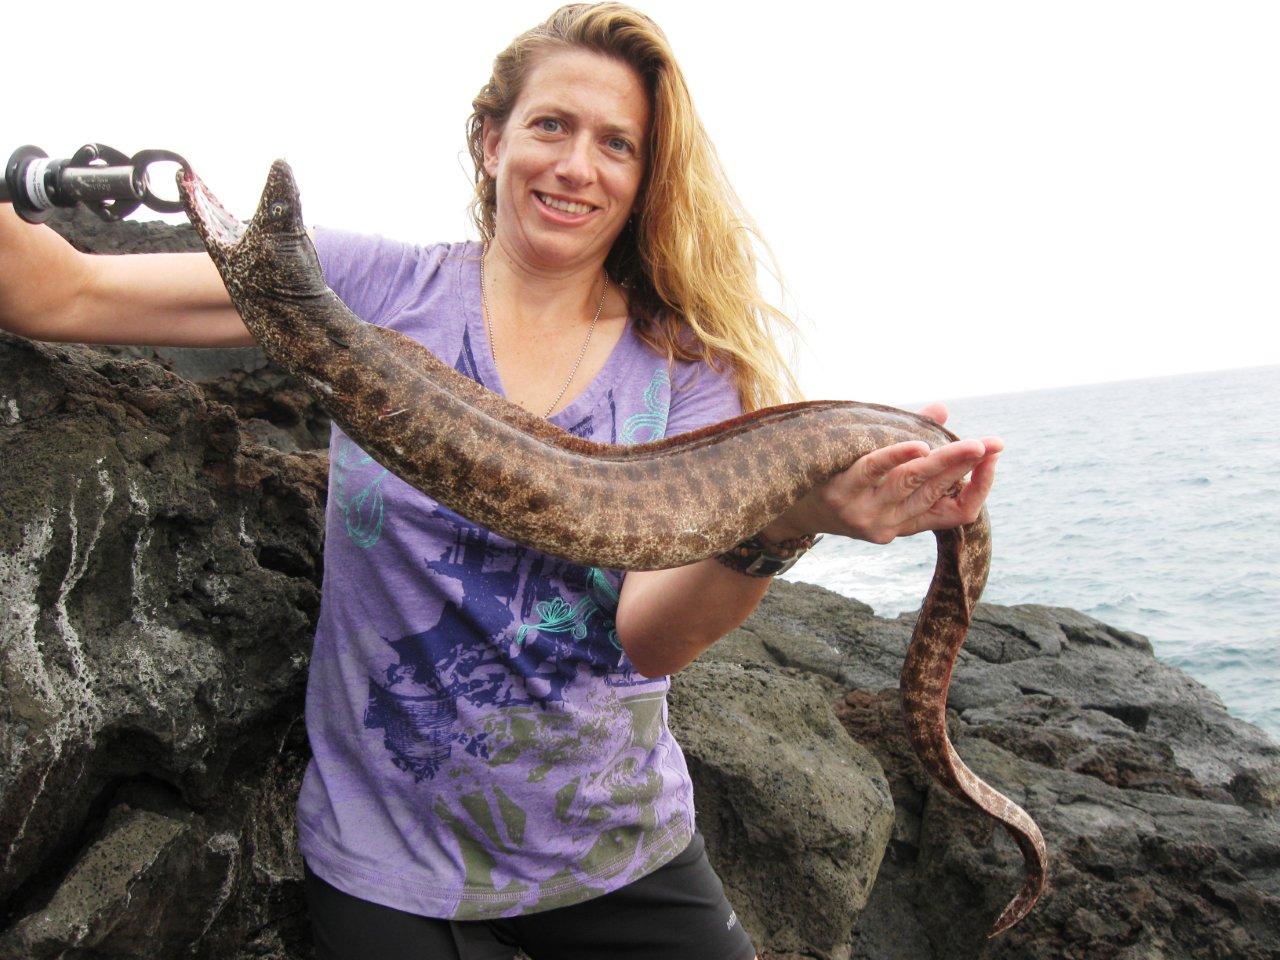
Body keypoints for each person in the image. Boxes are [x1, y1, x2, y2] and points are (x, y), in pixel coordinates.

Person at [0, 4, 1002, 958]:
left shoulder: (690, 373)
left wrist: (786, 522)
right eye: (551, 125)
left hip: (617, 848)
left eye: (616, 144)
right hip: (392, 861)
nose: (575, 165)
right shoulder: (360, 291)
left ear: (644, 178)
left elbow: (649, 639)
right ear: (491, 142)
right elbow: (59, 290)